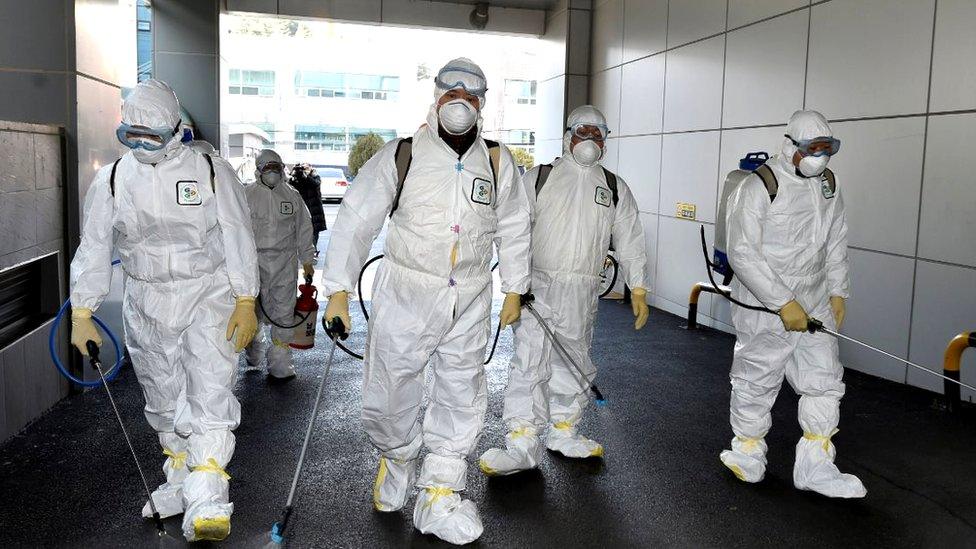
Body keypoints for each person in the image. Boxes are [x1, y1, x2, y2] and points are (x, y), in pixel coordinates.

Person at [320, 58, 531, 545]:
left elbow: (516, 226)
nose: (460, 101)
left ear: (483, 104)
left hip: (472, 294)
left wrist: (515, 287)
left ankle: (439, 491)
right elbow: (355, 220)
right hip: (406, 292)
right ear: (435, 96)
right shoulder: (403, 154)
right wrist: (337, 290)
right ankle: (397, 455)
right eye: (451, 91)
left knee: (461, 391)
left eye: (472, 94)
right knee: (390, 388)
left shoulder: (497, 162)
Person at [69, 79, 259, 541]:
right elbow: (94, 245)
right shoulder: (114, 178)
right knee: (161, 394)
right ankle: (180, 477)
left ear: (176, 130)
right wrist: (82, 310)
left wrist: (245, 298)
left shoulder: (210, 169)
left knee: (209, 392)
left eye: (150, 135)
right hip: (146, 300)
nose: (140, 145)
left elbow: (237, 233)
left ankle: (209, 494)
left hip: (206, 295)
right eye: (131, 134)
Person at [478, 105, 650, 476]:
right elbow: (513, 231)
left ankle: (564, 431)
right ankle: (522, 441)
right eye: (583, 132)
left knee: (575, 358)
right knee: (530, 362)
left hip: (583, 290)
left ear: (606, 141)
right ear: (568, 135)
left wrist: (637, 286)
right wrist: (514, 286)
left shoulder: (614, 187)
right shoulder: (539, 178)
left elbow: (631, 239)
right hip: (537, 287)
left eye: (598, 133)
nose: (590, 140)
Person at [719, 110, 865, 498]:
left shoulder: (828, 185)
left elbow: (835, 239)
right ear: (790, 147)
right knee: (757, 378)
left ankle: (816, 464)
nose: (820, 158)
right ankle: (747, 451)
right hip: (764, 305)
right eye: (812, 149)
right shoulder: (758, 186)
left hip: (815, 299)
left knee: (824, 381)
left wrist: (838, 290)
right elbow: (742, 253)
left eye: (826, 149)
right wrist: (783, 301)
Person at [245, 149, 316, 380]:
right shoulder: (246, 195)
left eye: (276, 167)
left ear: (282, 168)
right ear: (258, 170)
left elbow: (304, 229)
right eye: (267, 167)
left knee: (284, 313)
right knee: (251, 312)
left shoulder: (292, 195)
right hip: (252, 263)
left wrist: (307, 260)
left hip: (284, 263)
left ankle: (280, 364)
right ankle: (253, 350)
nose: (272, 172)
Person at [288, 163, 327, 255]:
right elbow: (289, 186)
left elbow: (314, 184)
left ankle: (313, 251)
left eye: (306, 168)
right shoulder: (297, 178)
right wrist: (293, 173)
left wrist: (305, 175)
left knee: (314, 232)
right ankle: (304, 251)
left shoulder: (315, 177)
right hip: (301, 209)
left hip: (314, 210)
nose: (304, 170)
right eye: (303, 168)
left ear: (311, 168)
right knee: (301, 231)